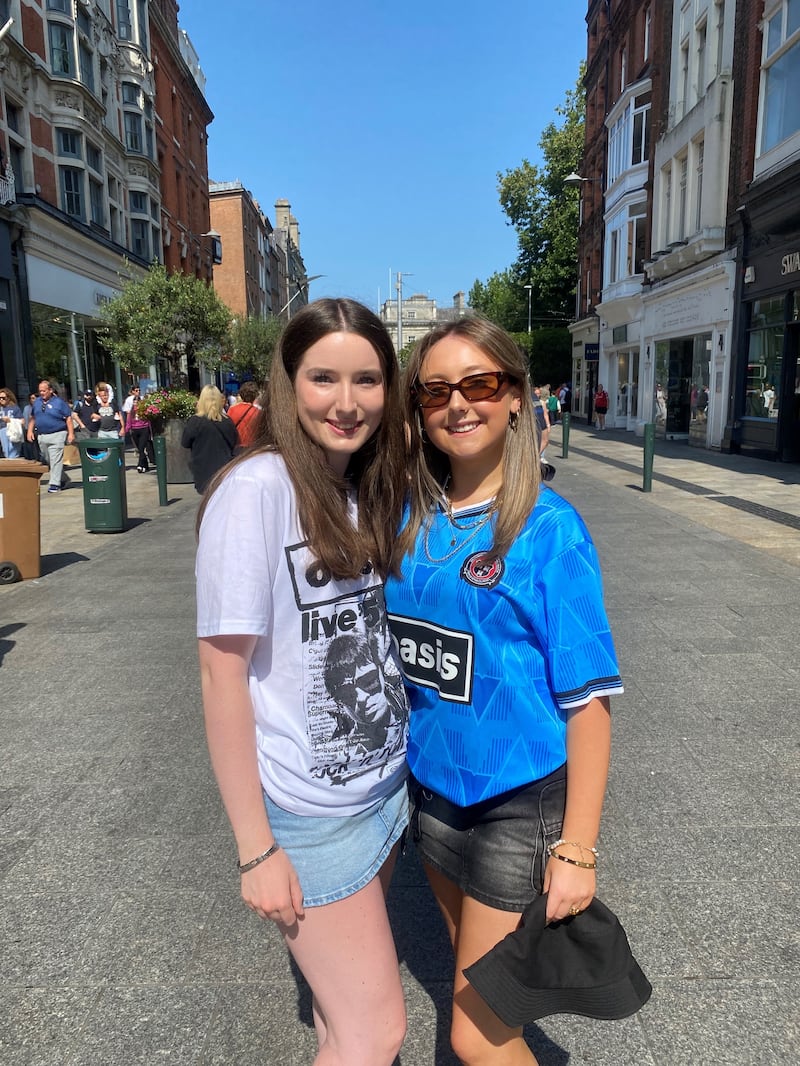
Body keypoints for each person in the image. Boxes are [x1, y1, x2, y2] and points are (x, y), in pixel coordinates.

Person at [385, 317, 623, 1066]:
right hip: (432, 789)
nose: (459, 404)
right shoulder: (405, 515)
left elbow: (588, 701)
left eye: (480, 384)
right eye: (435, 391)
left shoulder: (551, 530)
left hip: (519, 795)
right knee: (482, 988)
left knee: (474, 1036)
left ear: (516, 396)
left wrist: (578, 850)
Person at [194, 298, 410, 1066]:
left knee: (337, 1017)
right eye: (323, 378)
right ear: (289, 383)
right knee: (375, 1032)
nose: (346, 402)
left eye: (367, 380)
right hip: (313, 815)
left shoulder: (363, 487)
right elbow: (222, 677)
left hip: (384, 789)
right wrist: (256, 849)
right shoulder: (256, 492)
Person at [180, 385, 237, 493]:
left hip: (203, 469)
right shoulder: (228, 421)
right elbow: (234, 442)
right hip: (224, 469)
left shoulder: (195, 421)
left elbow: (185, 443)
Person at [28, 380, 75, 492]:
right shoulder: (37, 402)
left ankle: (54, 484)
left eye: (44, 390)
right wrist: (29, 431)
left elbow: (68, 418)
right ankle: (63, 479)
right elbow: (33, 417)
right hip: (42, 435)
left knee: (55, 459)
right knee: (49, 459)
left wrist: (71, 433)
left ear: (50, 390)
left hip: (58, 434)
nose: (42, 393)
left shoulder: (59, 403)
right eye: (40, 391)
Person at [227, 379, 261, 450]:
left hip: (236, 447)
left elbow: (228, 429)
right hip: (252, 448)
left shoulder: (232, 409)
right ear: (255, 396)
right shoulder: (258, 412)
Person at [126, 391, 155, 473]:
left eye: (137, 401)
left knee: (142, 448)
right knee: (140, 449)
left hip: (144, 429)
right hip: (135, 431)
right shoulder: (131, 411)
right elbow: (128, 421)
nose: (136, 403)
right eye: (134, 401)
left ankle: (139, 465)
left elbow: (148, 420)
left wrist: (151, 432)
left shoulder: (144, 410)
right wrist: (126, 430)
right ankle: (145, 465)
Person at [0, 387, 24, 459]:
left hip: (13, 431)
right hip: (2, 430)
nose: (1, 399)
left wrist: (10, 420)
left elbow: (22, 421)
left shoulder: (15, 408)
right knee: (5, 450)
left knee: (13, 450)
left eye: (3, 398)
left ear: (8, 398)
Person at [532, 384, 550, 458]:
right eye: (536, 394)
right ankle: (536, 457)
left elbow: (545, 414)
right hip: (535, 424)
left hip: (541, 423)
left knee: (544, 441)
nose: (537, 395)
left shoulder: (542, 402)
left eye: (539, 394)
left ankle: (537, 457)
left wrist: (548, 425)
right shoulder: (533, 401)